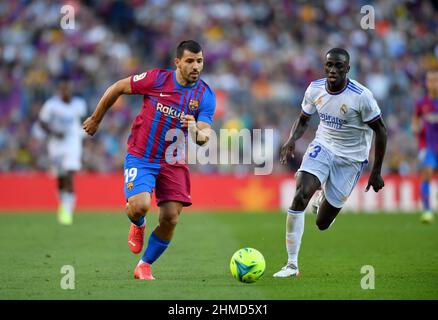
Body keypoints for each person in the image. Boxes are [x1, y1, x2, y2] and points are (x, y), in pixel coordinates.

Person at [82, 40, 216, 280]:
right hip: (142, 156)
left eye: (200, 61)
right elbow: (118, 87)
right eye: (190, 61)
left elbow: (204, 137)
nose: (196, 66)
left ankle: (144, 265)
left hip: (173, 162)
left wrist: (195, 129)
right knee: (140, 206)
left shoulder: (205, 95)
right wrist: (96, 118)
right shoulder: (156, 79)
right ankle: (139, 222)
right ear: (177, 62)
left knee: (170, 218)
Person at [274, 48, 387, 277]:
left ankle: (322, 196)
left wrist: (376, 171)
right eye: (329, 66)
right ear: (324, 67)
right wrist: (291, 140)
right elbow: (304, 119)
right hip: (323, 146)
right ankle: (292, 264)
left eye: (338, 66)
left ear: (347, 69)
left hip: (351, 159)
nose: (333, 70)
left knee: (322, 223)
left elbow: (381, 131)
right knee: (300, 194)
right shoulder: (315, 88)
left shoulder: (361, 96)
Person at [39, 78, 87, 225]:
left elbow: (85, 120)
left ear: (70, 89)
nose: (65, 92)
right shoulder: (51, 105)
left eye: (67, 89)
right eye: (62, 89)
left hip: (73, 143)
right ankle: (63, 205)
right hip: (56, 145)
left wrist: (85, 133)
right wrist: (53, 132)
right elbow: (42, 122)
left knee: (69, 174)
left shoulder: (79, 104)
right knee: (60, 177)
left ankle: (67, 211)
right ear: (59, 90)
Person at [412, 70, 438, 223]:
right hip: (428, 146)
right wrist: (415, 127)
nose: (432, 83)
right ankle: (427, 210)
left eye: (435, 80)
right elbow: (415, 119)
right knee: (427, 173)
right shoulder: (422, 103)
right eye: (430, 80)